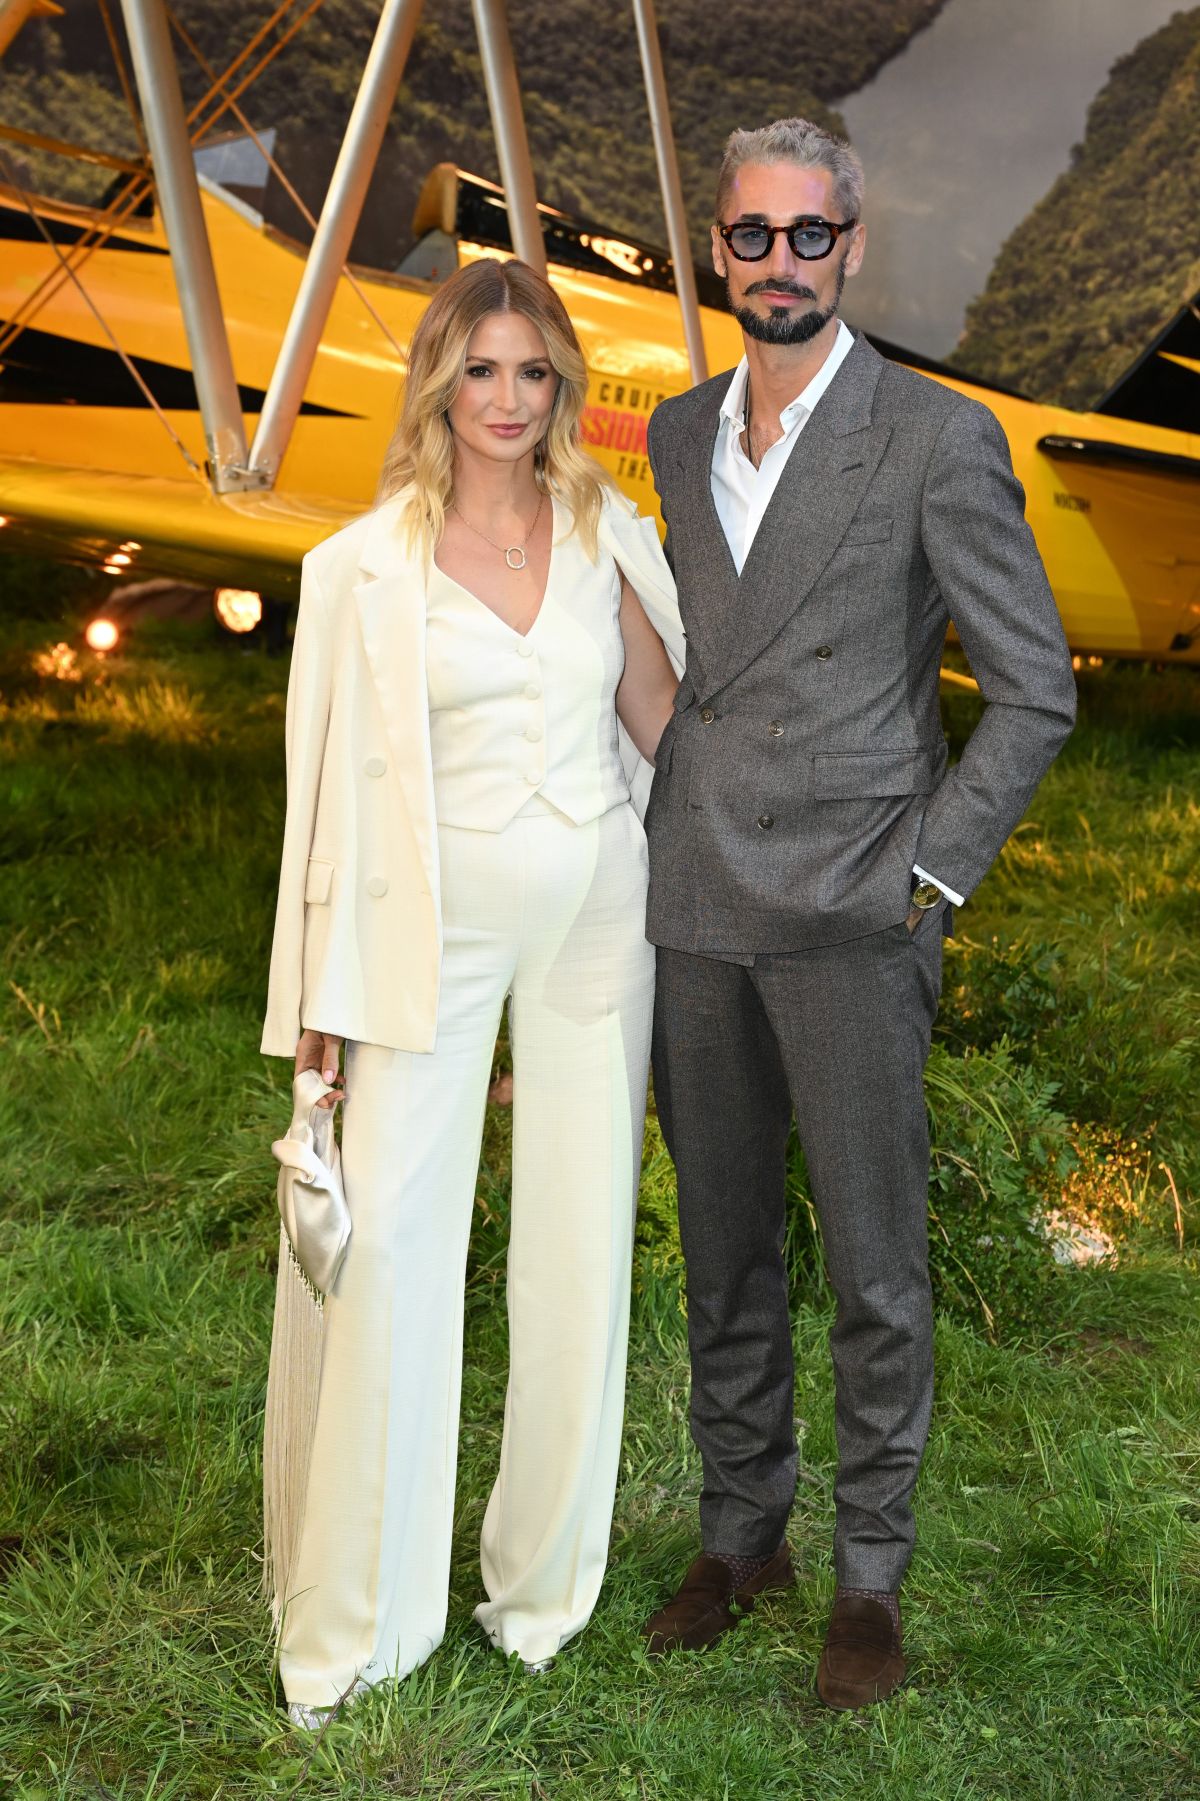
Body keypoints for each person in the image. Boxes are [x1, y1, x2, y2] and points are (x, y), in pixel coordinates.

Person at [638, 118, 1076, 1708]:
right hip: (699, 898)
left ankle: (870, 1575)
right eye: (752, 236)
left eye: (807, 235)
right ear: (719, 252)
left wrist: (930, 875)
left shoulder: (937, 437)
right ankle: (740, 1529)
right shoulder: (676, 432)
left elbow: (1034, 690)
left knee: (877, 1271)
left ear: (853, 248)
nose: (780, 263)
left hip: (853, 909)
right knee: (723, 1249)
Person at [260, 257, 683, 1726]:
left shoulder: (607, 533)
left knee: (582, 1245)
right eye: (482, 371)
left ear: (563, 387)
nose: (508, 400)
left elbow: (664, 725)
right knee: (388, 1253)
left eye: (534, 372)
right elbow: (321, 805)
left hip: (598, 920)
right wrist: (315, 1012)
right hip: (421, 940)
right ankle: (366, 1618)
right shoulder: (358, 567)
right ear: (439, 382)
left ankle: (540, 1590)